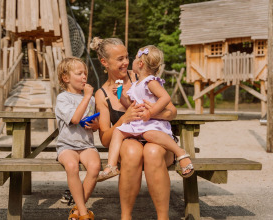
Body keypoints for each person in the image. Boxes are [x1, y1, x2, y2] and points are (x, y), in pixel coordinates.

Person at [91, 37, 177, 219]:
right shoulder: (102, 94)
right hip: (130, 143)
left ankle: (163, 217)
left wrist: (151, 114)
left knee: (152, 151)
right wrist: (124, 118)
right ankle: (126, 216)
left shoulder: (141, 75)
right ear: (104, 62)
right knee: (131, 150)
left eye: (126, 57)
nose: (126, 63)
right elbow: (106, 139)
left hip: (158, 140)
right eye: (119, 59)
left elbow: (172, 112)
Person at [97, 45, 194, 182]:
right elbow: (132, 106)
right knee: (118, 131)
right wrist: (122, 98)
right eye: (121, 58)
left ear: (140, 64)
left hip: (151, 124)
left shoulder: (150, 81)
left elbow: (166, 98)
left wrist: (151, 112)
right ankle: (111, 166)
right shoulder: (136, 84)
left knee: (149, 134)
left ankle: (181, 153)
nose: (129, 61)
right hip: (140, 124)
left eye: (133, 58)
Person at [55, 57, 100, 220]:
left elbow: (95, 123)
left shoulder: (92, 99)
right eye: (79, 73)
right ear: (66, 78)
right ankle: (83, 213)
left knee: (95, 167)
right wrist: (87, 97)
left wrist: (95, 125)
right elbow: (74, 119)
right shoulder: (63, 98)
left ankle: (76, 209)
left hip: (87, 145)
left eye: (85, 73)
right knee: (72, 166)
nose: (84, 77)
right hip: (67, 146)